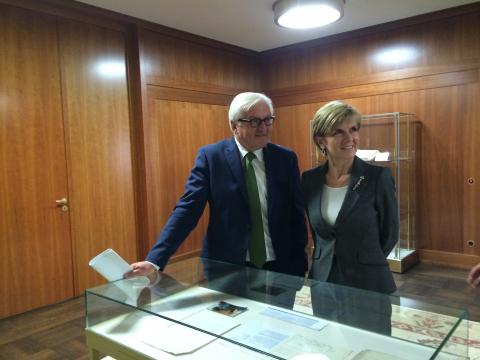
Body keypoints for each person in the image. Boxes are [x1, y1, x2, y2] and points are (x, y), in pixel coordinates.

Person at [126, 92, 308, 279]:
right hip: (228, 268)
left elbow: (296, 213)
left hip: (282, 266)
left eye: (268, 120)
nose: (263, 128)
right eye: (254, 121)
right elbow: (187, 209)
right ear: (233, 125)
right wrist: (155, 259)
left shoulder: (285, 158)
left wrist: (300, 262)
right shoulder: (212, 157)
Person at [301, 100, 399, 294]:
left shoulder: (377, 178)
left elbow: (390, 233)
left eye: (353, 129)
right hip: (323, 281)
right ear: (321, 141)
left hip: (368, 281)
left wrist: (368, 259)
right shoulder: (309, 180)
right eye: (338, 132)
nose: (349, 138)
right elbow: (319, 235)